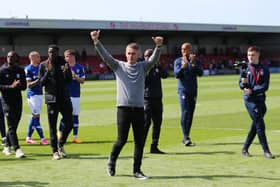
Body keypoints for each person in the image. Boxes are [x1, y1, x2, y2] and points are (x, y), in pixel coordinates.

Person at [90, 30, 163, 179]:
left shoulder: (143, 67)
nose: (130, 56)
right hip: (123, 109)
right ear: (125, 54)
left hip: (139, 110)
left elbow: (154, 60)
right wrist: (96, 42)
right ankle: (111, 161)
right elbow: (106, 56)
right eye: (129, 53)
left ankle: (137, 170)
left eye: (133, 54)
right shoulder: (119, 66)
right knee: (121, 140)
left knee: (139, 142)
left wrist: (158, 47)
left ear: (138, 55)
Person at [38, 45, 73, 160]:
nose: (51, 54)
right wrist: (47, 72)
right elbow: (41, 83)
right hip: (51, 99)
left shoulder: (63, 63)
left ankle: (61, 144)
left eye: (53, 52)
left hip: (64, 97)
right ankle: (54, 151)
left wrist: (67, 72)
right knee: (52, 126)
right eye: (49, 52)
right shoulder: (43, 65)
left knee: (70, 123)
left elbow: (69, 80)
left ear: (58, 52)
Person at [239, 46, 275, 159]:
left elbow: (265, 86)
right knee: (260, 124)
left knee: (255, 125)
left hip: (260, 99)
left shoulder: (264, 68)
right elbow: (241, 84)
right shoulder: (245, 68)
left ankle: (245, 148)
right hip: (249, 100)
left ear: (258, 55)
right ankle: (266, 151)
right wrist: (244, 86)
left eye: (253, 55)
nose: (250, 57)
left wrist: (253, 90)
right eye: (249, 55)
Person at [174, 42, 203, 146]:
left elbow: (200, 73)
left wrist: (193, 64)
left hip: (193, 90)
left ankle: (186, 136)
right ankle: (186, 137)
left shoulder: (196, 60)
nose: (183, 51)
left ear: (190, 50)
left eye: (185, 49)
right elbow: (177, 74)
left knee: (190, 114)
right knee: (185, 112)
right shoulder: (178, 61)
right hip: (183, 90)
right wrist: (183, 66)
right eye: (182, 49)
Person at [0, 51, 26, 158]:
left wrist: (18, 86)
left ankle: (6, 146)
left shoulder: (20, 70)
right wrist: (11, 87)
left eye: (12, 57)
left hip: (18, 101)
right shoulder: (2, 70)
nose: (9, 58)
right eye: (8, 56)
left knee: (14, 125)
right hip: (6, 101)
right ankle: (17, 149)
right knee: (11, 124)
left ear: (16, 58)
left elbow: (24, 86)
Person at [143, 49, 168, 154]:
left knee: (157, 123)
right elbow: (144, 82)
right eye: (146, 56)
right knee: (146, 123)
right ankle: (140, 145)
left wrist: (158, 66)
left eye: (150, 55)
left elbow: (165, 75)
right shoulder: (143, 68)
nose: (148, 57)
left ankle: (154, 146)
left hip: (158, 99)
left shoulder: (157, 67)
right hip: (147, 99)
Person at [58, 49, 85, 143]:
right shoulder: (63, 67)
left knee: (75, 116)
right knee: (65, 115)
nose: (67, 58)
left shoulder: (79, 67)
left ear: (73, 56)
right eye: (65, 56)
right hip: (65, 95)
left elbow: (82, 81)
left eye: (68, 56)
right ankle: (60, 133)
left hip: (76, 95)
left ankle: (75, 137)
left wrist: (75, 76)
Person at [25, 51, 49, 145]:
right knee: (36, 117)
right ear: (33, 58)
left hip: (39, 94)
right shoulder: (28, 69)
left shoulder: (40, 67)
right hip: (32, 95)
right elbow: (28, 85)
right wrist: (38, 81)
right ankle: (43, 138)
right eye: (38, 57)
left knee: (35, 117)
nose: (40, 58)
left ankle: (28, 137)